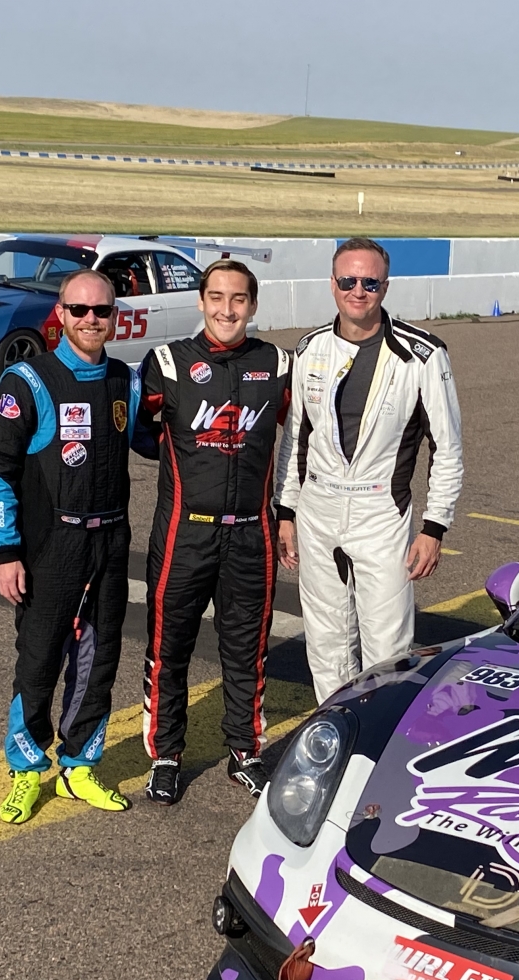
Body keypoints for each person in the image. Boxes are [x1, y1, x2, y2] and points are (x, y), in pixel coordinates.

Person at [0, 269, 143, 821]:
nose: (91, 319)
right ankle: (27, 769)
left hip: (111, 541)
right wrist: (6, 552)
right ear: (61, 313)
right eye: (80, 310)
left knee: (99, 659)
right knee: (39, 659)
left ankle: (79, 766)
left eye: (102, 310)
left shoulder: (126, 381)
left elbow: (162, 441)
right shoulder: (29, 380)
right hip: (51, 544)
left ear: (114, 316)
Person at [275, 237, 463, 702]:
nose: (357, 291)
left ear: (385, 286)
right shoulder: (310, 348)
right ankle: (335, 728)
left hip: (381, 512)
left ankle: (381, 732)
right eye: (348, 281)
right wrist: (286, 511)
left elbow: (447, 447)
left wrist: (434, 527)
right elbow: (296, 437)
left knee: (388, 645)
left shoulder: (423, 354)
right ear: (332, 284)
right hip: (317, 509)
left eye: (369, 282)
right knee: (326, 641)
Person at [135, 260, 290, 806]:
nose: (228, 309)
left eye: (239, 299)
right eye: (217, 297)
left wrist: (288, 513)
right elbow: (138, 432)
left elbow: (299, 438)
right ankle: (166, 756)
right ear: (201, 301)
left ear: (253, 304)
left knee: (247, 649)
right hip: (185, 532)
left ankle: (245, 752)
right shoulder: (167, 362)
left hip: (252, 533)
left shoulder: (277, 364)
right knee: (168, 646)